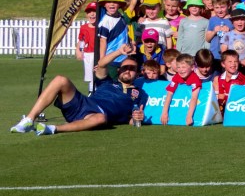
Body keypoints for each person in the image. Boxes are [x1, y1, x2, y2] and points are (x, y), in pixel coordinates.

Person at [12, 47, 146, 135]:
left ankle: (52, 129)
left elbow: (132, 119)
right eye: (125, 67)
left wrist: (137, 119)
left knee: (100, 118)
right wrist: (119, 52)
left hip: (97, 115)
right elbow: (101, 64)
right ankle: (29, 120)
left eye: (132, 68)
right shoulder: (107, 81)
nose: (127, 70)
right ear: (119, 70)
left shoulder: (139, 93)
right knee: (60, 79)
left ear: (138, 73)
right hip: (83, 103)